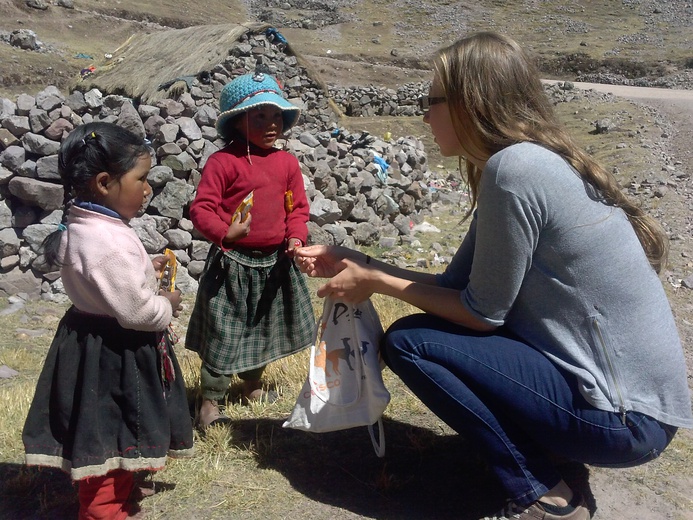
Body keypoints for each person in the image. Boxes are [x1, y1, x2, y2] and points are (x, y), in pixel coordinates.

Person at [295, 32, 692, 520]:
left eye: (431, 100)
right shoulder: (526, 163)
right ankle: (554, 455)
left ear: (469, 103)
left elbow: (481, 314)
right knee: (424, 334)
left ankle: (545, 491)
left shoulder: (514, 169)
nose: (423, 115)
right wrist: (365, 262)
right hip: (632, 410)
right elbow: (455, 289)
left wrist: (375, 283)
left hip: (626, 421)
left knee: (411, 343)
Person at [22, 122, 194, 520]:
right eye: (141, 178)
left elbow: (104, 280)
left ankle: (113, 489)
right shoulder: (112, 244)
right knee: (114, 423)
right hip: (116, 351)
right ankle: (102, 509)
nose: (148, 188)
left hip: (86, 340)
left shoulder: (81, 225)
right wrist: (167, 301)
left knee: (97, 421)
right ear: (104, 182)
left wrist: (145, 269)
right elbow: (138, 311)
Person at [186, 72, 314, 428]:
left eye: (276, 116)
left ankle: (253, 385)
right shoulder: (223, 163)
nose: (271, 124)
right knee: (224, 330)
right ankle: (210, 400)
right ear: (236, 121)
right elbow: (201, 209)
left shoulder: (286, 163)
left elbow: (297, 208)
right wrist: (226, 232)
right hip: (231, 264)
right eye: (259, 116)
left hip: (274, 264)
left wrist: (295, 238)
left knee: (263, 326)